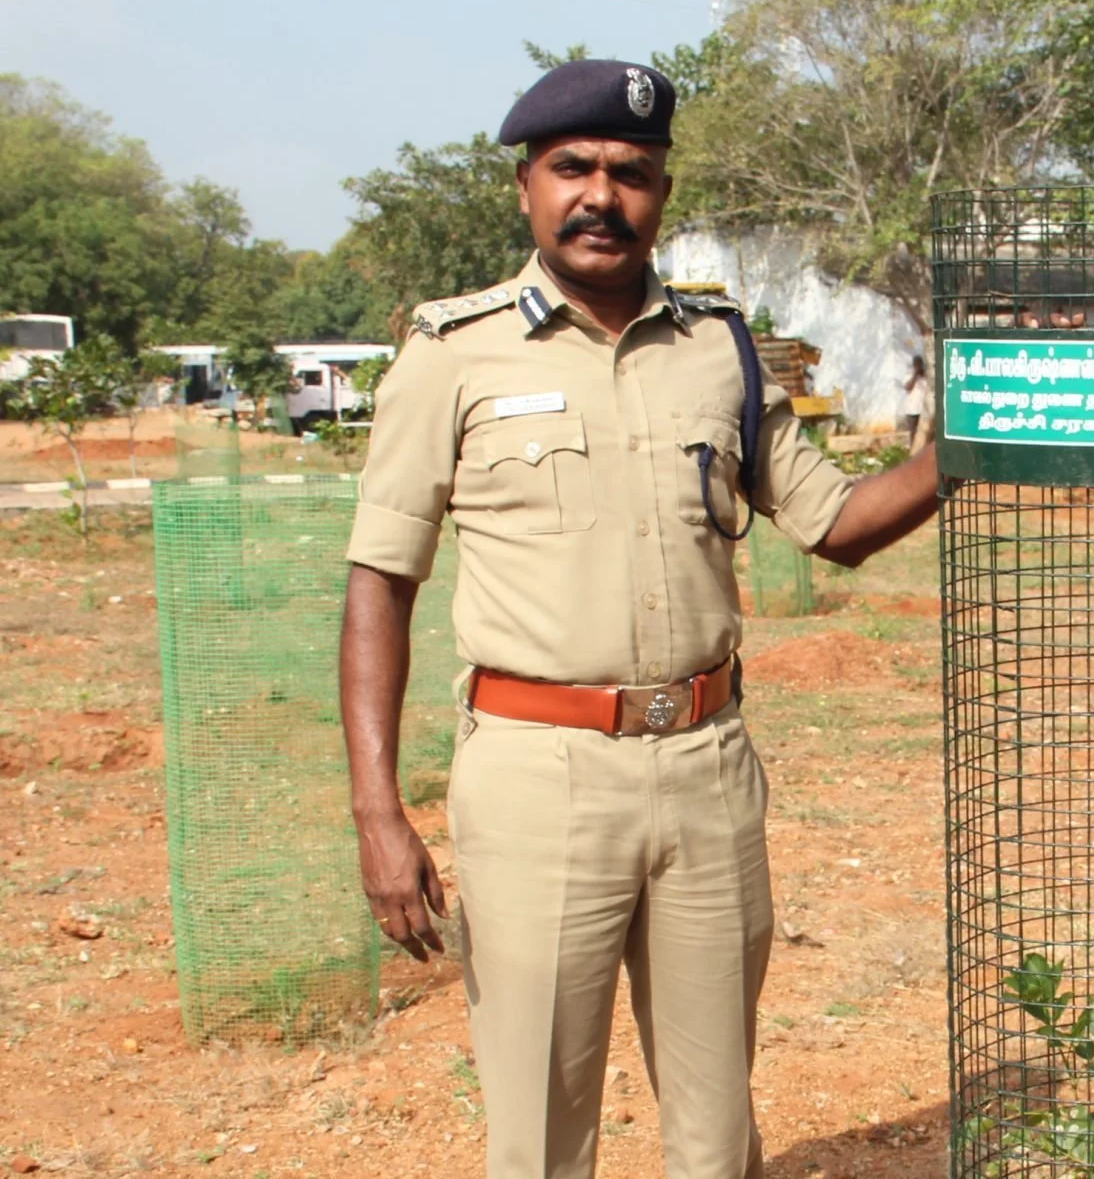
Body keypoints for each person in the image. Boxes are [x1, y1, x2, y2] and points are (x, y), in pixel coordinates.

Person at [338, 59, 940, 1179]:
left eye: (632, 174)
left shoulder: (721, 347)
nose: (600, 196)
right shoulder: (452, 356)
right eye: (574, 168)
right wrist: (379, 811)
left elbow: (838, 522)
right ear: (527, 185)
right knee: (541, 1133)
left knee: (718, 1134)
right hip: (537, 775)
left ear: (662, 194)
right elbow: (381, 579)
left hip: (708, 772)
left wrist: (971, 446)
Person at [899, 350, 929, 441]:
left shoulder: (925, 377)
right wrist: (915, 375)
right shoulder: (909, 376)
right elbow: (908, 387)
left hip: (924, 410)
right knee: (913, 432)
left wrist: (923, 374)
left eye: (920, 364)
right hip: (912, 410)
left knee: (925, 433)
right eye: (916, 365)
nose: (919, 367)